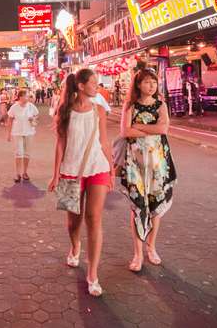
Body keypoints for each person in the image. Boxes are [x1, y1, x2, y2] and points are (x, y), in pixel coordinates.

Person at [48, 69, 112, 297]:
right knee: (72, 223)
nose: (98, 86)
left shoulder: (99, 110)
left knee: (94, 218)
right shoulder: (65, 110)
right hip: (70, 171)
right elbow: (60, 145)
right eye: (94, 83)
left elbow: (104, 141)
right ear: (81, 86)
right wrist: (55, 174)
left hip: (97, 167)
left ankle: (93, 273)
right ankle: (75, 246)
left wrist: (111, 169)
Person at [118, 69, 176, 271]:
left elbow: (163, 129)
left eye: (154, 82)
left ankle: (152, 246)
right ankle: (138, 253)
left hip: (157, 163)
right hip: (135, 163)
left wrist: (138, 127)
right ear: (138, 84)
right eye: (146, 82)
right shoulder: (130, 105)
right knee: (137, 207)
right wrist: (149, 128)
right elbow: (125, 132)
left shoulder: (161, 105)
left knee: (155, 205)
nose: (151, 85)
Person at [6, 89, 39, 183]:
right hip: (17, 133)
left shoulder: (31, 106)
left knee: (27, 153)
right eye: (26, 96)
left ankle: (25, 172)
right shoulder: (14, 107)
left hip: (29, 132)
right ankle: (18, 173)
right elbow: (10, 120)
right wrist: (8, 134)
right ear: (20, 97)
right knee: (18, 153)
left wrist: (33, 119)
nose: (28, 97)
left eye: (28, 96)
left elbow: (37, 116)